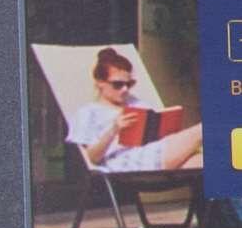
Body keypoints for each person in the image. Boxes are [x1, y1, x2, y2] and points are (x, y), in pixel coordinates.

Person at [74, 47, 202, 174]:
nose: (125, 89)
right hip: (128, 163)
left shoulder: (135, 102)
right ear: (100, 82)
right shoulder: (88, 113)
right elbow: (93, 157)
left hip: (155, 151)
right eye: (118, 84)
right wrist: (114, 129)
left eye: (129, 84)